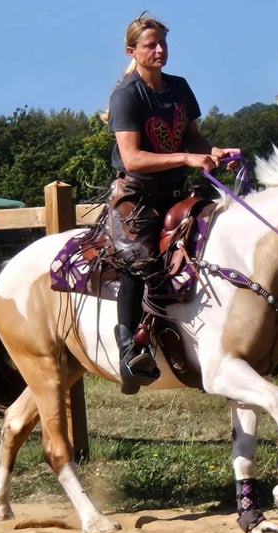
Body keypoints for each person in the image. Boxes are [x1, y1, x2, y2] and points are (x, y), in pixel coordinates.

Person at [106, 12, 239, 394]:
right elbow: (132, 159)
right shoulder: (127, 95)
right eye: (151, 45)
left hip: (177, 193)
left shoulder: (179, 87)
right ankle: (129, 351)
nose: (160, 50)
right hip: (137, 197)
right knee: (136, 262)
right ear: (133, 51)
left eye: (163, 43)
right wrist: (184, 158)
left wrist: (212, 151)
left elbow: (192, 137)